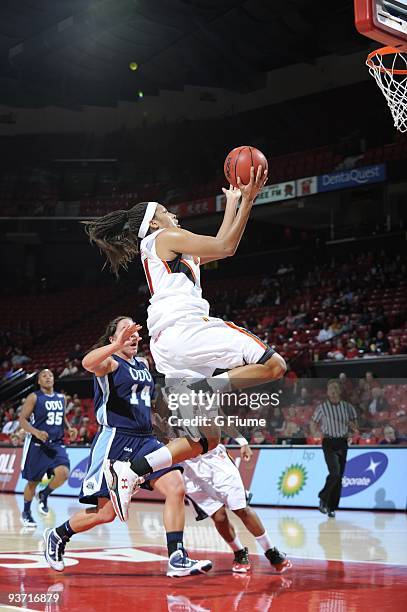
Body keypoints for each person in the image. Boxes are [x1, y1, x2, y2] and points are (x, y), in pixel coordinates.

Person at [83, 166, 287, 521]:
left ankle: (132, 469)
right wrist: (250, 201)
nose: (172, 212)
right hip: (186, 329)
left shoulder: (171, 249)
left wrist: (233, 204)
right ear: (155, 221)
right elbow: (227, 244)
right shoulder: (165, 238)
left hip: (169, 345)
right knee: (274, 366)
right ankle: (208, 387)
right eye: (165, 209)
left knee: (207, 439)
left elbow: (223, 250)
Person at [43, 316, 212, 578]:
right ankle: (57, 534)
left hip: (145, 439)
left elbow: (148, 403)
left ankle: (177, 556)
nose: (133, 335)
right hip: (115, 441)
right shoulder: (109, 363)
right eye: (126, 331)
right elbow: (87, 363)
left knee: (175, 486)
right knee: (105, 514)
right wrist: (117, 344)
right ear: (113, 339)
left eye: (135, 331)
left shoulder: (144, 365)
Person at [19, 369, 77, 527]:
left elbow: (62, 416)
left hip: (56, 443)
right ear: (38, 381)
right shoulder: (34, 397)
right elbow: (22, 420)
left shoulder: (61, 398)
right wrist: (36, 432)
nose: (48, 378)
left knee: (64, 473)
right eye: (44, 376)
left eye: (50, 375)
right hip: (37, 445)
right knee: (33, 482)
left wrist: (69, 428)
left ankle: (44, 494)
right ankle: (26, 512)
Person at [310, 380, 358, 518]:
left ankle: (331, 507)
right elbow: (313, 422)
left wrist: (352, 429)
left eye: (335, 388)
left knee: (339, 477)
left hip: (342, 442)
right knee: (335, 473)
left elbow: (355, 425)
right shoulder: (322, 408)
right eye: (330, 388)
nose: (333, 390)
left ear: (340, 391)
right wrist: (315, 433)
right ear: (327, 392)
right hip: (329, 442)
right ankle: (323, 497)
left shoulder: (348, 407)